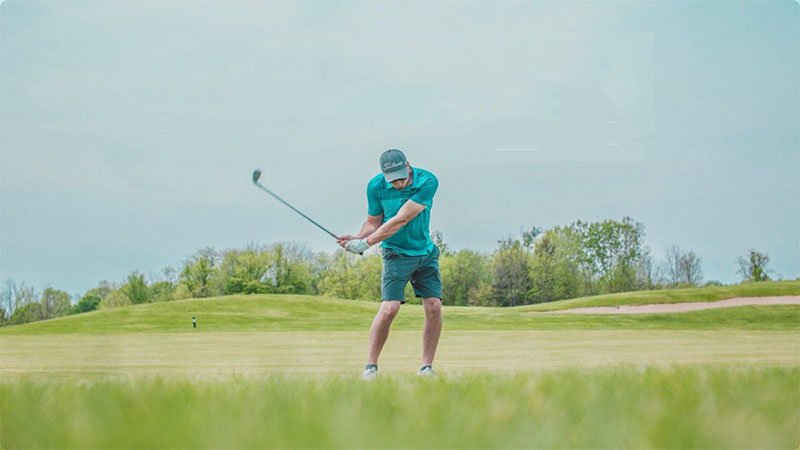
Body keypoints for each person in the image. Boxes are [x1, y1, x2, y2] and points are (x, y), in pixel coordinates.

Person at [338, 149, 442, 380]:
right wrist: (358, 238)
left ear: (408, 166)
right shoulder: (375, 186)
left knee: (434, 306)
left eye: (401, 178)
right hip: (395, 253)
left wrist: (367, 243)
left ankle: (426, 368)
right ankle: (370, 368)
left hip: (425, 252)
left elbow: (402, 218)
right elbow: (373, 222)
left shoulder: (428, 181)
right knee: (389, 308)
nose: (398, 184)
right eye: (393, 180)